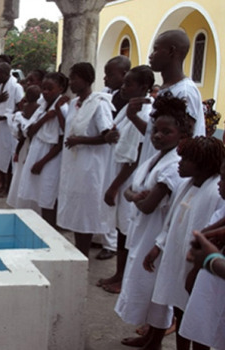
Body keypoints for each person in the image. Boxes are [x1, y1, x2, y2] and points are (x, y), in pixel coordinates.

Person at [114, 95, 193, 349]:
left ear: (181, 135)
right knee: (144, 285)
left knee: (157, 288)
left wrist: (136, 197)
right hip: (142, 231)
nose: (158, 136)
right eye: (156, 130)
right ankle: (149, 335)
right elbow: (132, 191)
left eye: (166, 132)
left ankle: (155, 339)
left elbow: (148, 206)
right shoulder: (154, 158)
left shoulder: (174, 164)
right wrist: (136, 196)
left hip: (158, 234)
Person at [144, 136, 225, 350]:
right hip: (177, 257)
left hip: (198, 265)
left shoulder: (214, 193)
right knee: (180, 310)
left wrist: (198, 268)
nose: (179, 163)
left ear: (202, 164)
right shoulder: (188, 185)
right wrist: (158, 246)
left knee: (198, 318)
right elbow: (171, 220)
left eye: (186, 160)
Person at [98, 65, 155, 294]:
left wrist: (114, 187)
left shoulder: (143, 113)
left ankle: (126, 279)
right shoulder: (128, 109)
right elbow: (118, 135)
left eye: (128, 84)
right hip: (119, 173)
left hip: (128, 179)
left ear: (143, 87)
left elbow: (135, 156)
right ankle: (118, 274)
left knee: (127, 231)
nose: (123, 87)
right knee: (121, 230)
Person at [57, 62, 114, 257]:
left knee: (86, 212)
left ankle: (83, 252)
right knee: (75, 208)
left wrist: (80, 140)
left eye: (75, 78)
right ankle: (78, 249)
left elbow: (107, 136)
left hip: (90, 167)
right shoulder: (74, 103)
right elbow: (69, 129)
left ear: (87, 79)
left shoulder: (99, 103)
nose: (71, 82)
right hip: (74, 165)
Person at [180, 157, 225, 349]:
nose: (219, 183)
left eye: (224, 178)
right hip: (210, 283)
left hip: (221, 279)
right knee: (201, 327)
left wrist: (210, 259)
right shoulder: (224, 207)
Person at [136, 30, 205, 163]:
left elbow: (182, 139)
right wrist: (133, 116)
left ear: (171, 51)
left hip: (167, 175)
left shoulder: (184, 92)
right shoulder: (164, 90)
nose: (151, 56)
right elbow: (156, 132)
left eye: (156, 50)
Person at [17, 72, 69, 225]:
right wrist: (46, 117)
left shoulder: (63, 109)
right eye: (43, 88)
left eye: (50, 89)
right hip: (37, 150)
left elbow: (61, 141)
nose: (45, 92)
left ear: (60, 88)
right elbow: (30, 131)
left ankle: (51, 230)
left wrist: (42, 162)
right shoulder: (43, 106)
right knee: (37, 195)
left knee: (48, 196)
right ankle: (40, 226)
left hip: (50, 157)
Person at [95, 55, 132, 261]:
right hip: (108, 152)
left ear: (124, 75)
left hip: (120, 155)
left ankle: (110, 243)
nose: (105, 78)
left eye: (110, 74)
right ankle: (101, 236)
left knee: (113, 200)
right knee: (102, 195)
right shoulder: (107, 94)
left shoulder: (128, 100)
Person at [0, 62, 24, 197]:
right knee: (0, 156)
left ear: (5, 74)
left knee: (8, 158)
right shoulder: (0, 86)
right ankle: (2, 184)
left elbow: (20, 109)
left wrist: (3, 117)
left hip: (9, 128)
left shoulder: (16, 87)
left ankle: (8, 188)